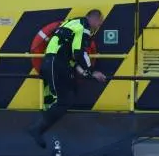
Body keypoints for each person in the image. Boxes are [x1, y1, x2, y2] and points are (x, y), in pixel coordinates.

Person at [27, 9, 107, 148]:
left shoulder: (73, 23)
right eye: (99, 23)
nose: (98, 27)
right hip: (55, 64)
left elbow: (72, 56)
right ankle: (37, 128)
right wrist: (91, 72)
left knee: (70, 95)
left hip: (59, 64)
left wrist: (84, 73)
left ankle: (41, 124)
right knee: (63, 100)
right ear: (94, 19)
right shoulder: (83, 28)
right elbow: (79, 53)